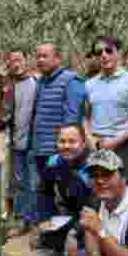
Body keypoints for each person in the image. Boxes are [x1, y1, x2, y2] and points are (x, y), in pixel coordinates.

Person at [30, 42, 86, 225]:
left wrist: (64, 147)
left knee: (65, 195)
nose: (40, 60)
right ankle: (48, 232)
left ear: (57, 58)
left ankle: (69, 235)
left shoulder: (71, 81)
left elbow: (73, 117)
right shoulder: (40, 82)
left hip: (60, 150)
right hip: (40, 148)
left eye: (45, 56)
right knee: (44, 191)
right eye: (38, 56)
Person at [84, 36, 128, 194]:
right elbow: (84, 116)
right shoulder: (89, 84)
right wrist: (90, 139)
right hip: (96, 146)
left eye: (109, 50)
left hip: (123, 146)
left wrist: (116, 140)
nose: (104, 55)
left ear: (119, 53)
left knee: (127, 191)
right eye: (98, 52)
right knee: (99, 191)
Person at [0, 49, 38, 235]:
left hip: (34, 142)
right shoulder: (10, 86)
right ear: (8, 64)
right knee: (19, 182)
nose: (16, 63)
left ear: (26, 61)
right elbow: (6, 113)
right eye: (12, 61)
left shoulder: (36, 83)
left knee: (34, 183)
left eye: (19, 59)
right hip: (17, 142)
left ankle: (33, 220)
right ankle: (20, 221)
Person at [35, 123, 92, 256]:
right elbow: (44, 192)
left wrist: (75, 231)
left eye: (72, 142)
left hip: (95, 218)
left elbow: (97, 207)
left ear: (83, 144)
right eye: (62, 141)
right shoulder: (53, 162)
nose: (66, 146)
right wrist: (44, 219)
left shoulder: (93, 166)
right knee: (45, 235)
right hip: (72, 212)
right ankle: (59, 247)